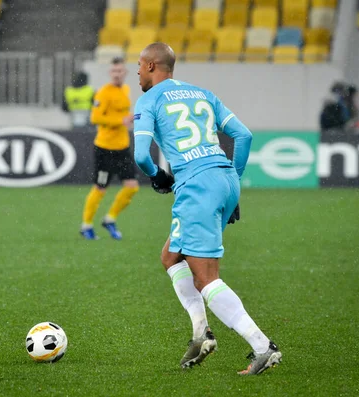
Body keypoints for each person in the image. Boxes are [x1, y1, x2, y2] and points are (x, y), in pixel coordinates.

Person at [132, 43, 281, 375]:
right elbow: (243, 136)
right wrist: (233, 183)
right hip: (224, 179)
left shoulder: (149, 100)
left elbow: (142, 156)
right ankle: (201, 333)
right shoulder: (202, 93)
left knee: (206, 278)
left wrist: (158, 177)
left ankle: (262, 346)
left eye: (140, 66)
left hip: (197, 186)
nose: (137, 72)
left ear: (153, 66)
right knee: (171, 256)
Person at [80, 57, 139, 240]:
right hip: (105, 149)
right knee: (100, 188)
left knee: (132, 187)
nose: (116, 74)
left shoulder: (126, 90)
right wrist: (119, 121)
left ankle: (110, 219)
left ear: (125, 73)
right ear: (109, 73)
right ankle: (86, 225)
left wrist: (130, 118)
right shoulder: (103, 93)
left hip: (122, 148)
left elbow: (121, 114)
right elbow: (95, 118)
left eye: (120, 71)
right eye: (114, 71)